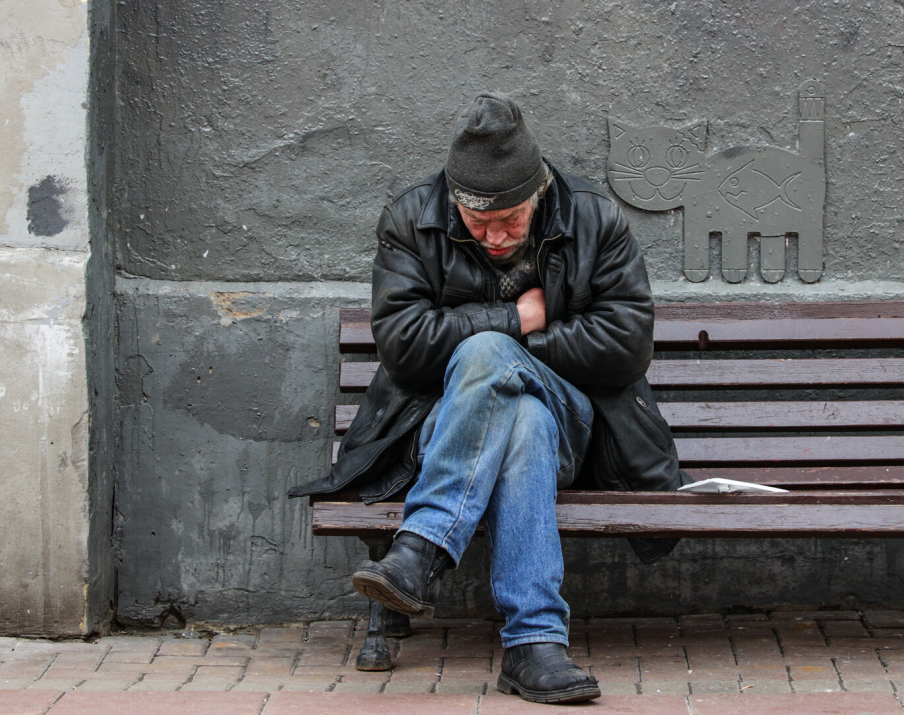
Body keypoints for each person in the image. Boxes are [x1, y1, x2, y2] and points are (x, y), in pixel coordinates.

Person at [289, 92, 685, 704]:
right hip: (441, 428)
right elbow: (404, 347)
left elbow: (628, 345)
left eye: (511, 219)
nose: (496, 236)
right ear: (455, 201)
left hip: (576, 431)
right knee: (521, 418)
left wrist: (506, 347)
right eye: (479, 223)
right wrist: (516, 318)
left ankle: (421, 548)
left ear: (538, 193)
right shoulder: (410, 220)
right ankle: (534, 645)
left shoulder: (594, 219)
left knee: (490, 358)